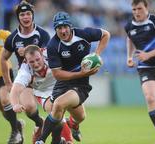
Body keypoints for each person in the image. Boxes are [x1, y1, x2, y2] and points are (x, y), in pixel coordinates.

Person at [35, 11, 110, 144]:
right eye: (59, 28)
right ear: (55, 29)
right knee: (57, 107)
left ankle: (72, 125)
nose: (63, 31)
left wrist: (97, 55)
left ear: (70, 26)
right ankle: (42, 140)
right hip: (63, 83)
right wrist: (82, 73)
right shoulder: (53, 45)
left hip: (81, 85)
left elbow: (106, 34)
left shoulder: (84, 34)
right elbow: (57, 74)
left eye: (65, 27)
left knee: (79, 116)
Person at [0, 1, 50, 143]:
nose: (26, 17)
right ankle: (40, 123)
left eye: (28, 13)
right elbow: (3, 58)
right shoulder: (13, 38)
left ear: (32, 15)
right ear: (18, 17)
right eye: (22, 14)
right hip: (27, 78)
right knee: (28, 107)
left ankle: (62, 136)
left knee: (56, 109)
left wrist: (29, 49)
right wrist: (8, 82)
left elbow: (48, 55)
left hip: (45, 78)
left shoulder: (42, 34)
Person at [10, 45, 73, 144]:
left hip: (60, 85)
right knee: (54, 111)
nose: (35, 64)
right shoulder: (25, 71)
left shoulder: (52, 53)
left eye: (37, 59)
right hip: (43, 91)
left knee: (80, 115)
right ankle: (59, 139)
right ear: (26, 60)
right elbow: (15, 90)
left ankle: (71, 126)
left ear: (42, 55)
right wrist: (15, 104)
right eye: (31, 62)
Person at [125, 0, 155, 144]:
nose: (136, 12)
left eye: (139, 9)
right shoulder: (129, 25)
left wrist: (148, 54)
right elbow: (130, 38)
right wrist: (129, 57)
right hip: (146, 68)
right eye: (134, 9)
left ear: (146, 7)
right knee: (150, 98)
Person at [0, 11, 24, 144]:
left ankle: (15, 133)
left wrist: (22, 50)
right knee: (4, 112)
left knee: (5, 100)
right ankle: (17, 126)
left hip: (5, 75)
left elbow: (18, 41)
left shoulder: (4, 35)